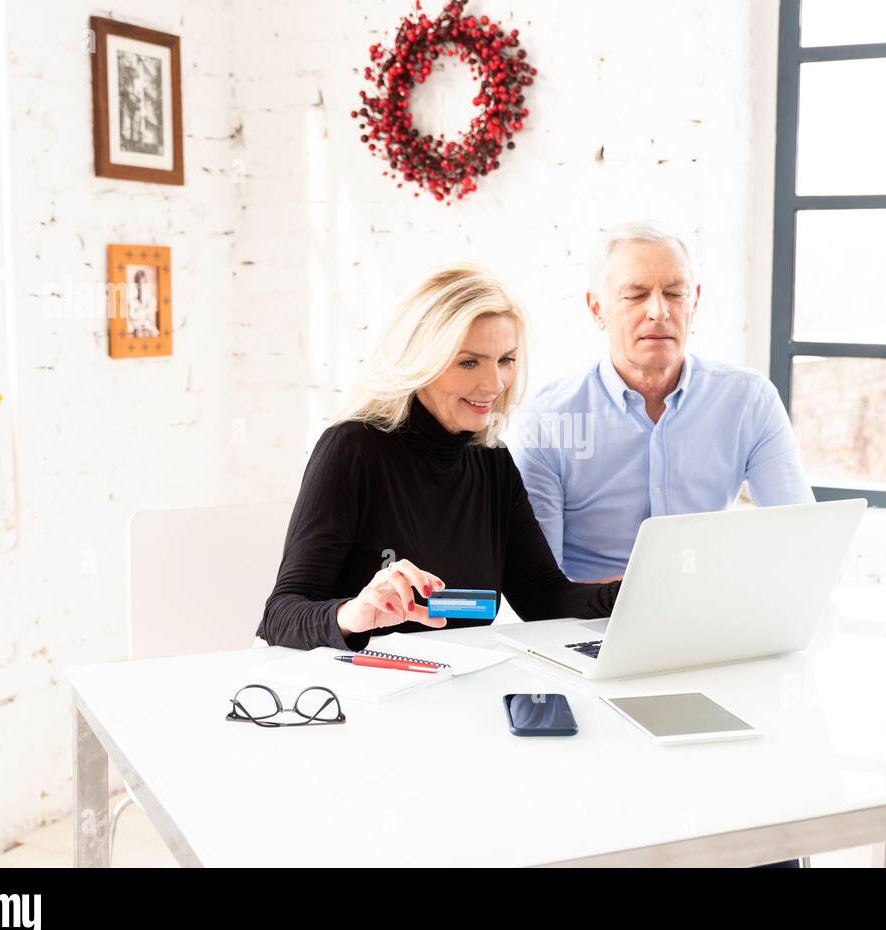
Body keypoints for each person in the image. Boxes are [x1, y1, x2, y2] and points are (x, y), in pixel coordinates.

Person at [256, 264, 619, 652]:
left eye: (506, 360)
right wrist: (353, 613)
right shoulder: (353, 449)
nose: (494, 384)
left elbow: (544, 597)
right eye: (468, 362)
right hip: (362, 692)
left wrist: (639, 595)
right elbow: (281, 616)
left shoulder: (491, 461)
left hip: (458, 688)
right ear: (422, 360)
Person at [512, 222, 814, 584]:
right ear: (596, 309)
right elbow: (537, 583)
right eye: (635, 295)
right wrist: (649, 596)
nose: (659, 311)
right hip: (588, 622)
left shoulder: (749, 400)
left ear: (695, 301)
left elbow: (800, 542)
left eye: (675, 293)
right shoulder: (549, 418)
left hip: (707, 616)